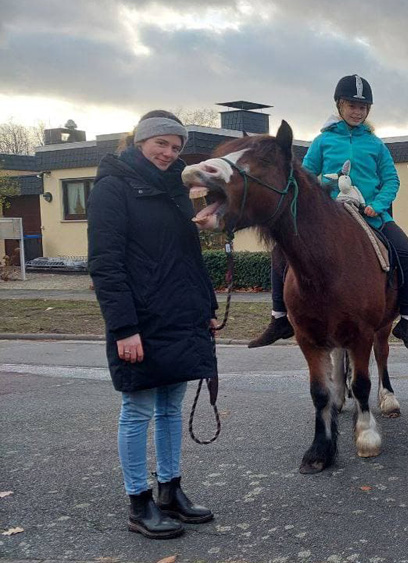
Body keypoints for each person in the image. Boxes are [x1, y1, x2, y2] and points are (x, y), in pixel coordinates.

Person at [88, 111, 216, 539]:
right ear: (141, 141)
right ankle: (138, 504)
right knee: (138, 410)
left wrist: (207, 306)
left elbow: (189, 255)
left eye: (176, 147)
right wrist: (124, 328)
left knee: (170, 409)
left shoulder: (179, 188)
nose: (169, 153)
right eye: (162, 143)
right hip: (139, 321)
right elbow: (105, 265)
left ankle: (170, 491)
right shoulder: (112, 187)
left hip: (180, 315)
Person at [249, 74, 408, 354]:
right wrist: (328, 187)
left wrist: (377, 205)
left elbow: (392, 180)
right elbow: (304, 178)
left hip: (371, 215)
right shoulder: (323, 141)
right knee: (280, 251)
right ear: (339, 106)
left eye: (362, 107)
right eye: (352, 105)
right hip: (328, 219)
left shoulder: (376, 145)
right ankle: (279, 317)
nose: (357, 111)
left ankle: (406, 320)